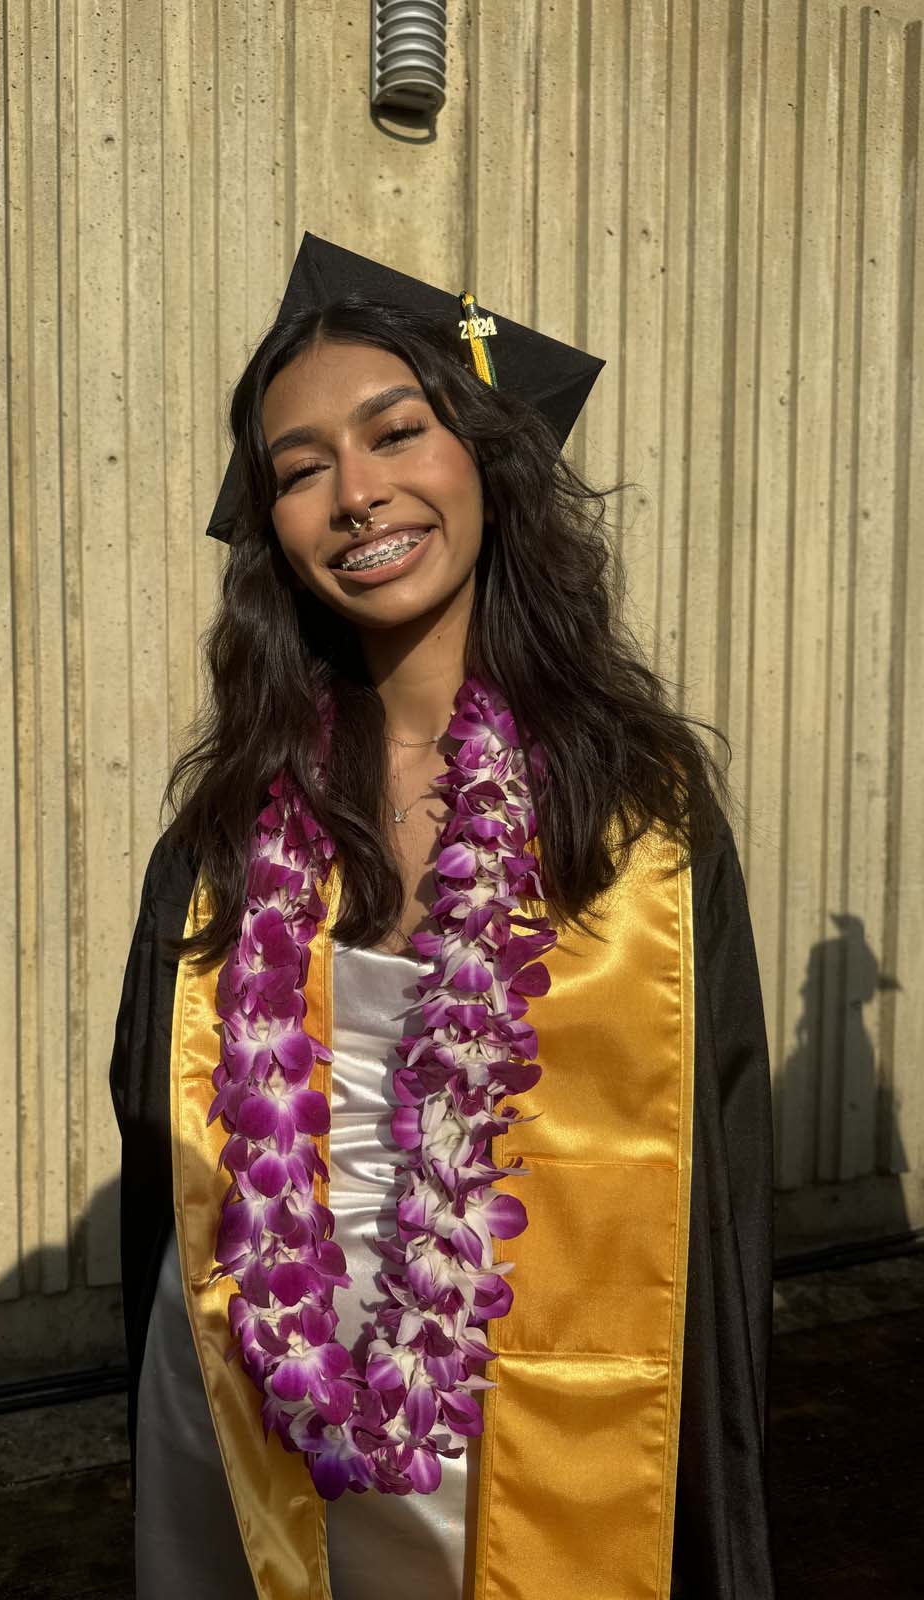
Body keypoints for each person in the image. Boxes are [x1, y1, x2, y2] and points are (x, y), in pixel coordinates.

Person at [111, 234, 775, 1600]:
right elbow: (154, 1119)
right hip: (258, 1388)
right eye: (300, 471)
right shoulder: (228, 833)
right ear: (275, 535)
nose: (357, 494)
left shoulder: (636, 817)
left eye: (395, 432)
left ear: (483, 456)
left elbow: (718, 1165)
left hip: (536, 1390)